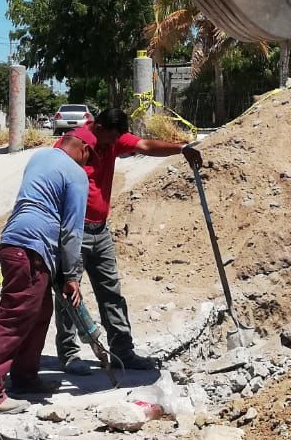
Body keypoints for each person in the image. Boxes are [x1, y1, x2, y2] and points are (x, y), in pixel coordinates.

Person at [55, 106, 202, 373]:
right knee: (70, 293)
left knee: (111, 293)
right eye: (112, 138)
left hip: (100, 231)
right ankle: (69, 355)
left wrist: (181, 148)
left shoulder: (113, 138)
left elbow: (145, 145)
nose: (115, 145)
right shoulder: (74, 143)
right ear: (99, 128)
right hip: (73, 231)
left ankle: (123, 352)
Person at [0, 131, 93, 414]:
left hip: (14, 241)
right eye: (90, 158)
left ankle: (24, 378)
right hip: (32, 249)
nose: (88, 165)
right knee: (14, 316)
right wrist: (71, 276)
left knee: (39, 313)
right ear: (83, 149)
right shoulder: (75, 173)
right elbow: (72, 231)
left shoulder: (41, 157)